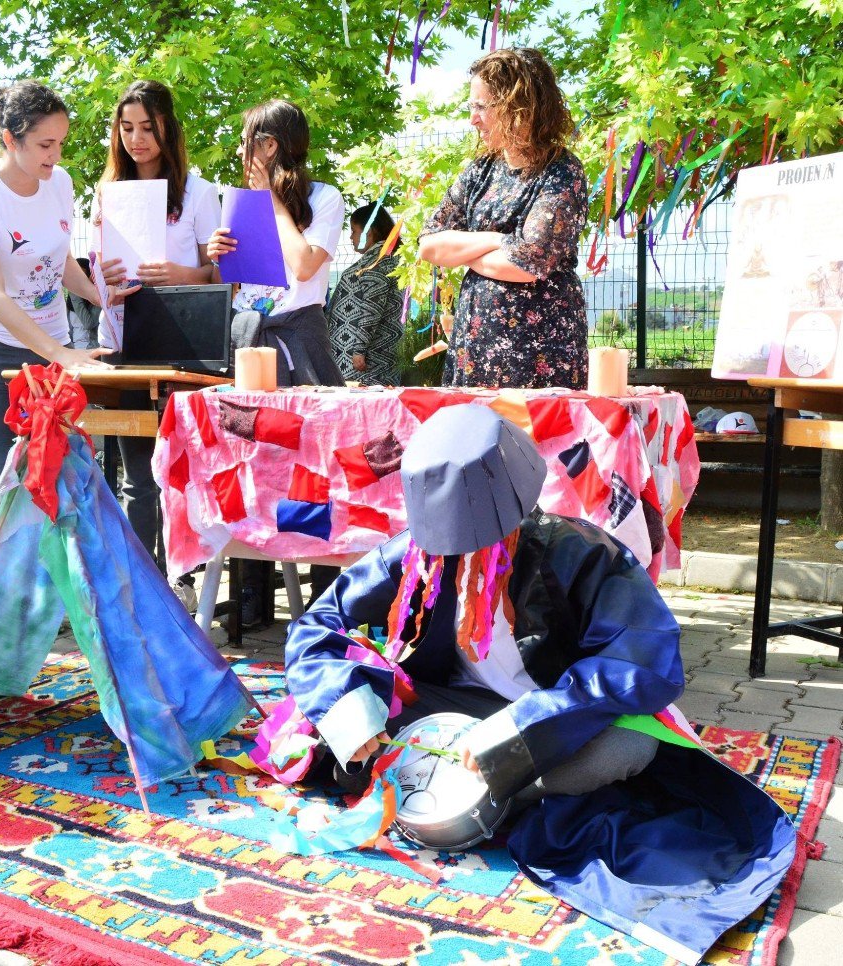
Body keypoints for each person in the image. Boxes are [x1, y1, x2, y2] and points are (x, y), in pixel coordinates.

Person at [283, 404, 795, 964]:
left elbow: (643, 662)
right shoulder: (415, 557)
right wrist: (350, 711)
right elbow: (317, 626)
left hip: (564, 716)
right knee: (346, 708)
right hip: (463, 709)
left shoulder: (585, 553)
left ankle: (477, 796)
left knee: (626, 749)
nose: (461, 558)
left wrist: (526, 724)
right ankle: (464, 783)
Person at [0, 81, 134, 554]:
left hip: (51, 349)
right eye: (45, 144)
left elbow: (57, 261)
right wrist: (61, 354)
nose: (55, 155)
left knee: (48, 470)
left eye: (61, 143)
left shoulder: (61, 183)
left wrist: (99, 295)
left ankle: (41, 595)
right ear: (10, 139)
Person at [207, 99, 345, 627]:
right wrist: (217, 257)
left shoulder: (323, 199)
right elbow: (236, 284)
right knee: (246, 467)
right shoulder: (237, 199)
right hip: (247, 341)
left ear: (271, 145)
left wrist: (273, 205)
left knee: (311, 469)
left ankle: (325, 603)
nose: (244, 153)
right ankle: (251, 601)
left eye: (250, 142)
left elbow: (305, 263)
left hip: (300, 340)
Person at [92, 80, 221, 611]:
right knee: (134, 473)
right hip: (120, 343)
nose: (137, 139)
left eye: (148, 127)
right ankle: (137, 583)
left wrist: (180, 273)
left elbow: (219, 274)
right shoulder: (105, 192)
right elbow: (91, 272)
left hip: (180, 351)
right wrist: (106, 278)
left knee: (176, 471)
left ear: (168, 127)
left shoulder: (199, 192)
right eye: (127, 128)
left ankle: (182, 579)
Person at [419, 48, 589, 391]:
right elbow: (430, 245)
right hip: (476, 348)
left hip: (540, 352)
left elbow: (527, 264)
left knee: (541, 443)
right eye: (472, 107)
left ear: (519, 107)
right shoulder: (479, 172)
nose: (473, 119)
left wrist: (465, 249)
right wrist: (499, 240)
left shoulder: (561, 171)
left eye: (482, 107)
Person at [327, 203, 404, 385]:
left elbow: (372, 305)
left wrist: (359, 350)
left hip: (363, 362)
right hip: (371, 356)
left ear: (368, 232)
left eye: (354, 231)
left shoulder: (377, 262)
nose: (351, 237)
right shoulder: (385, 258)